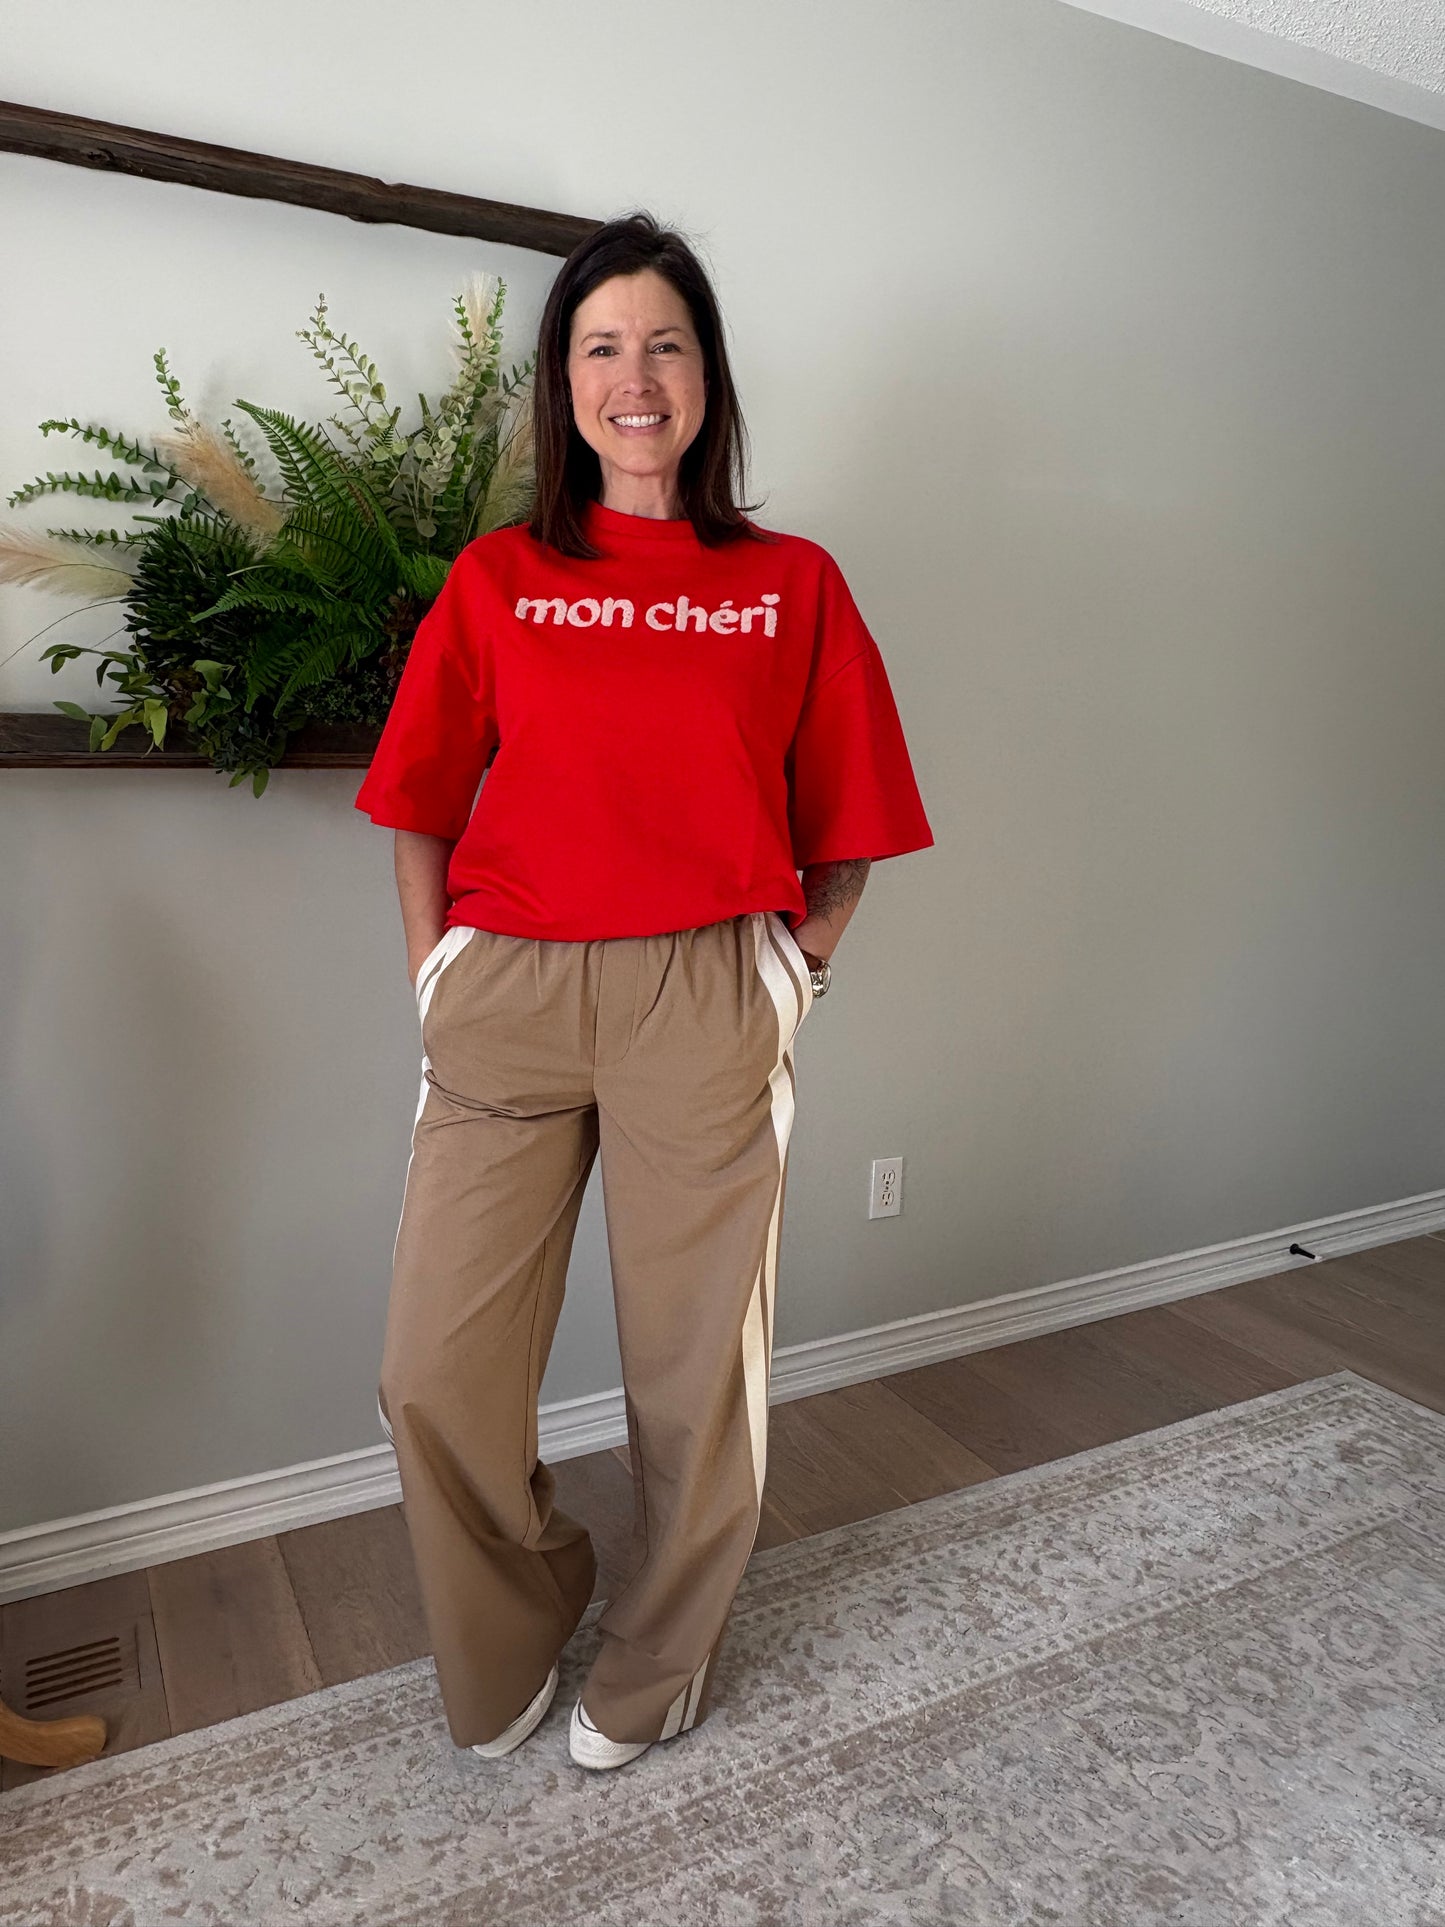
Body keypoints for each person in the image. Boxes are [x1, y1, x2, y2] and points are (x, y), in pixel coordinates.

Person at [354, 210, 934, 1772]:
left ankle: (660, 1659)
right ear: (563, 385)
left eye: (664, 344)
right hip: (508, 996)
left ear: (705, 376)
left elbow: (852, 819)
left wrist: (793, 973)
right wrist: (436, 973)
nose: (635, 376)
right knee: (432, 1372)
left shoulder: (789, 584)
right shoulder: (499, 578)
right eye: (601, 346)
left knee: (693, 1378)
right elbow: (419, 800)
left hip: (705, 992)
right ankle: (517, 1615)